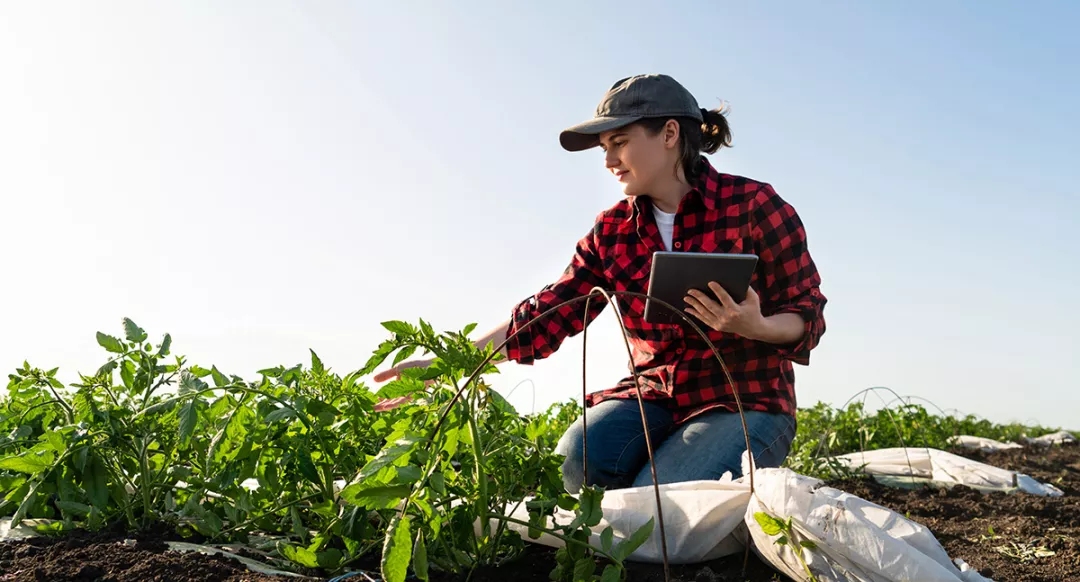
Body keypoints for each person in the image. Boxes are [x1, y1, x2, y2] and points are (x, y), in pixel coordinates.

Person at [375, 73, 826, 492]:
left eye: (620, 142)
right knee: (576, 459)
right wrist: (449, 364)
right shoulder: (611, 232)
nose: (608, 160)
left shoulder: (753, 205)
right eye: (604, 147)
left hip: (746, 401)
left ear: (670, 135)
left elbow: (807, 312)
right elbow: (551, 311)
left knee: (666, 498)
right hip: (654, 396)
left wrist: (757, 326)